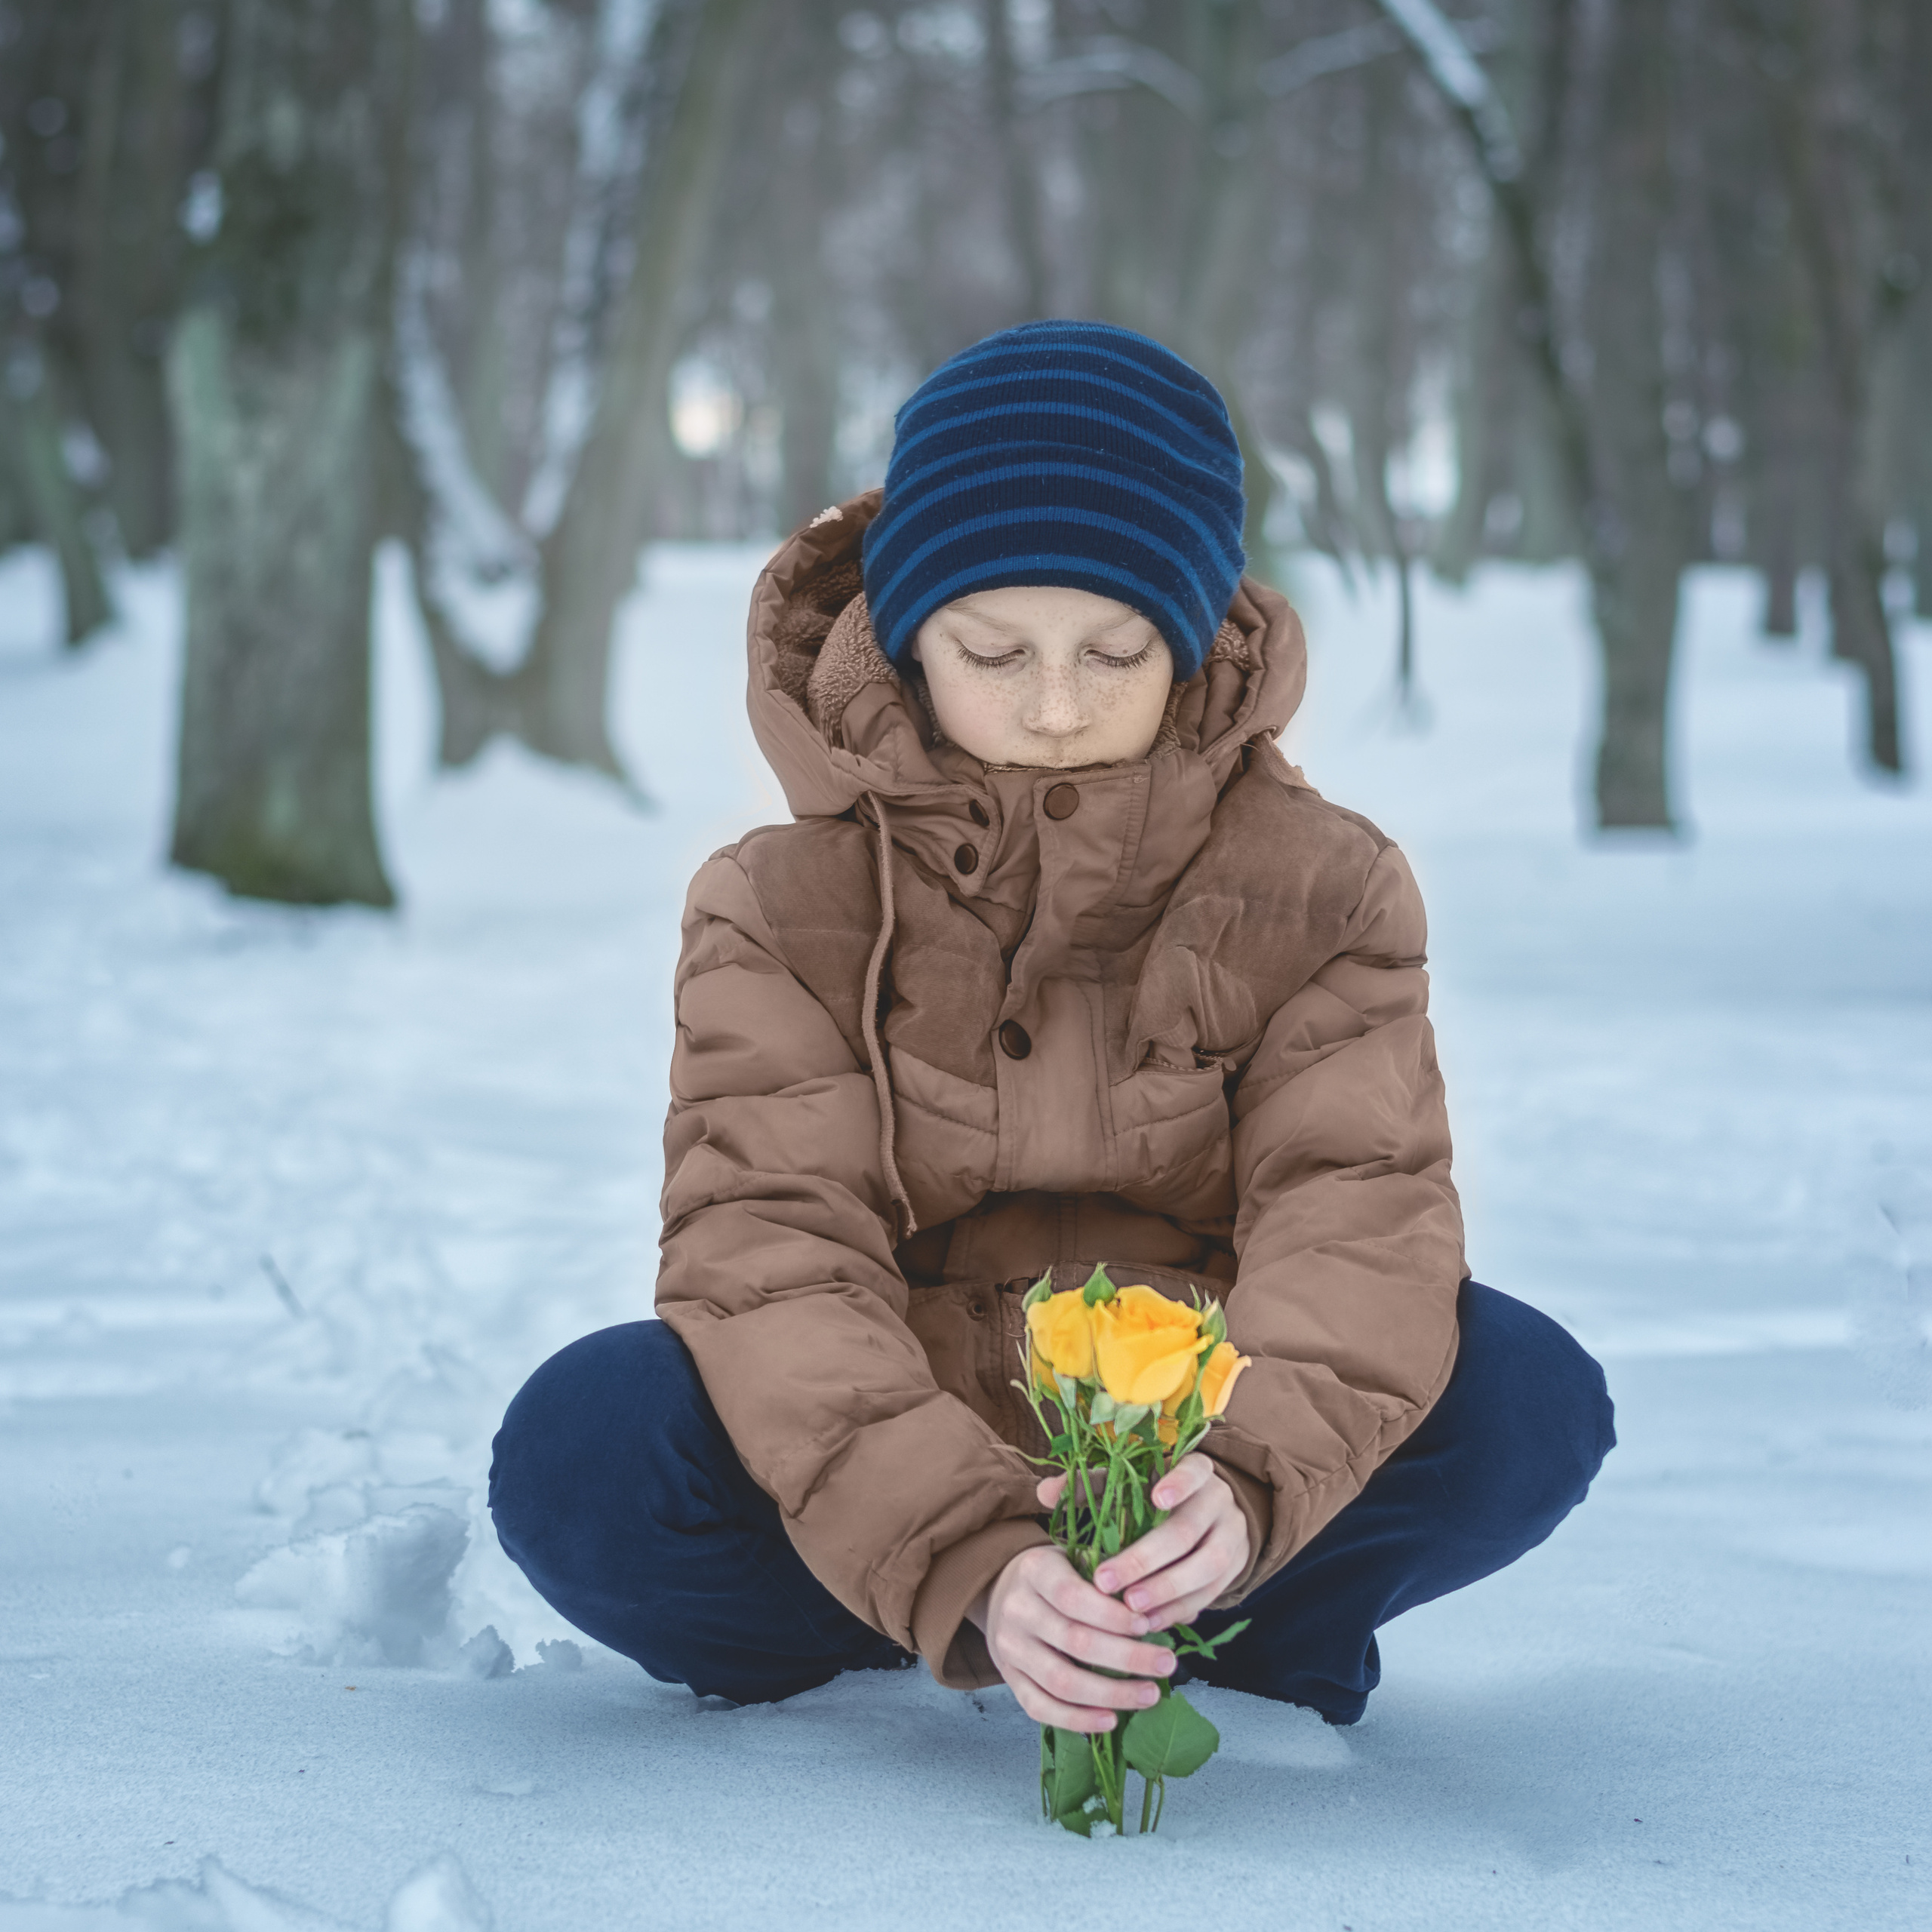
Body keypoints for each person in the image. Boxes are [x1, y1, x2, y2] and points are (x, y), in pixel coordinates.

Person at [489, 321, 1614, 1734]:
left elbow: (1358, 1212)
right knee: (588, 1447)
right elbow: (769, 1250)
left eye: (1115, 648)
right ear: (906, 636)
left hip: (1199, 1466)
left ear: (1193, 637)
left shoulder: (1330, 887)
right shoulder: (776, 906)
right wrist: (966, 1551)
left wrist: (1251, 1485)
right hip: (877, 1482)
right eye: (995, 649)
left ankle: (1208, 1627)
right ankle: (909, 1636)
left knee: (1523, 1392)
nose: (1057, 705)